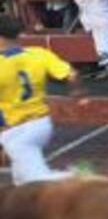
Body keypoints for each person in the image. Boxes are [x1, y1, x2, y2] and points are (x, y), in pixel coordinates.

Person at [0, 13, 85, 185]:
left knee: (37, 179)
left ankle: (78, 177)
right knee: (22, 183)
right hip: (41, 125)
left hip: (16, 130)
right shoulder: (39, 54)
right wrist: (78, 93)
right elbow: (72, 75)